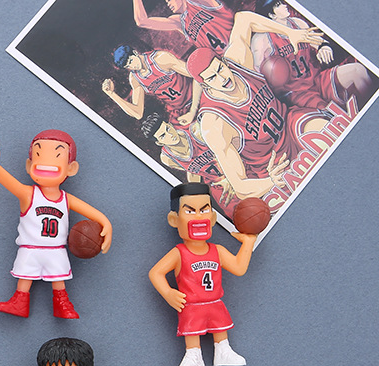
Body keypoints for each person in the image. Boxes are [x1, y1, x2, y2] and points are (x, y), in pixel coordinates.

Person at [186, 13, 326, 200]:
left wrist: (290, 32)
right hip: (274, 165)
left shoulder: (237, 61)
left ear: (224, 62)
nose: (222, 78)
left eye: (220, 69)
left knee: (326, 133)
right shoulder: (214, 123)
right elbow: (240, 186)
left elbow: (244, 18)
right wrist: (271, 181)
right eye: (212, 78)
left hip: (291, 124)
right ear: (205, 85)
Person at [0, 130, 111, 319]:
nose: (46, 162)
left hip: (56, 249)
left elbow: (94, 214)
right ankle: (19, 302)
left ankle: (62, 305)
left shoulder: (66, 198)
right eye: (38, 154)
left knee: (59, 279)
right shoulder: (28, 194)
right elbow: (10, 183)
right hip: (30, 247)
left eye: (57, 155)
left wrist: (106, 223)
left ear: (71, 168)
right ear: (29, 165)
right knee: (25, 275)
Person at [148, 182, 256, 366]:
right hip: (191, 304)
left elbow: (239, 268)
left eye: (204, 210)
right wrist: (168, 293)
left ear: (212, 218)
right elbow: (155, 273)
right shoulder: (179, 253)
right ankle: (193, 355)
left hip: (214, 301)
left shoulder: (217, 250)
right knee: (192, 330)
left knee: (220, 328)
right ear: (174, 219)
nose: (198, 217)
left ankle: (223, 351)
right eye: (190, 211)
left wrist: (248, 243)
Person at [251, 1, 373, 111]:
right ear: (271, 15)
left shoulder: (298, 23)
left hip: (317, 79)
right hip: (296, 93)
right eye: (278, 5)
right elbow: (257, 75)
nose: (285, 5)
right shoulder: (262, 39)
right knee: (330, 114)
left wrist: (324, 47)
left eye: (282, 2)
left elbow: (320, 42)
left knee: (358, 71)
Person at [140, 112, 236, 217]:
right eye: (163, 136)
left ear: (170, 125)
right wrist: (197, 196)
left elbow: (229, 149)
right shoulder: (167, 158)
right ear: (159, 143)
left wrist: (230, 177)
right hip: (218, 186)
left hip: (235, 169)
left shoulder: (196, 131)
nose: (170, 135)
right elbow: (193, 171)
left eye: (168, 128)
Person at [103, 45, 200, 126]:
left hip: (198, 96)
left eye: (131, 61)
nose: (132, 66)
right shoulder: (135, 78)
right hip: (179, 111)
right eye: (128, 66)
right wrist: (111, 94)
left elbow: (197, 75)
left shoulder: (160, 59)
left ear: (135, 53)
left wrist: (193, 111)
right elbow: (138, 113)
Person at [132, 0, 235, 54]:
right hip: (225, 60)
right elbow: (142, 21)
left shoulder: (198, 3)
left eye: (169, 0)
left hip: (237, 42)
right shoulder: (179, 21)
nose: (168, 4)